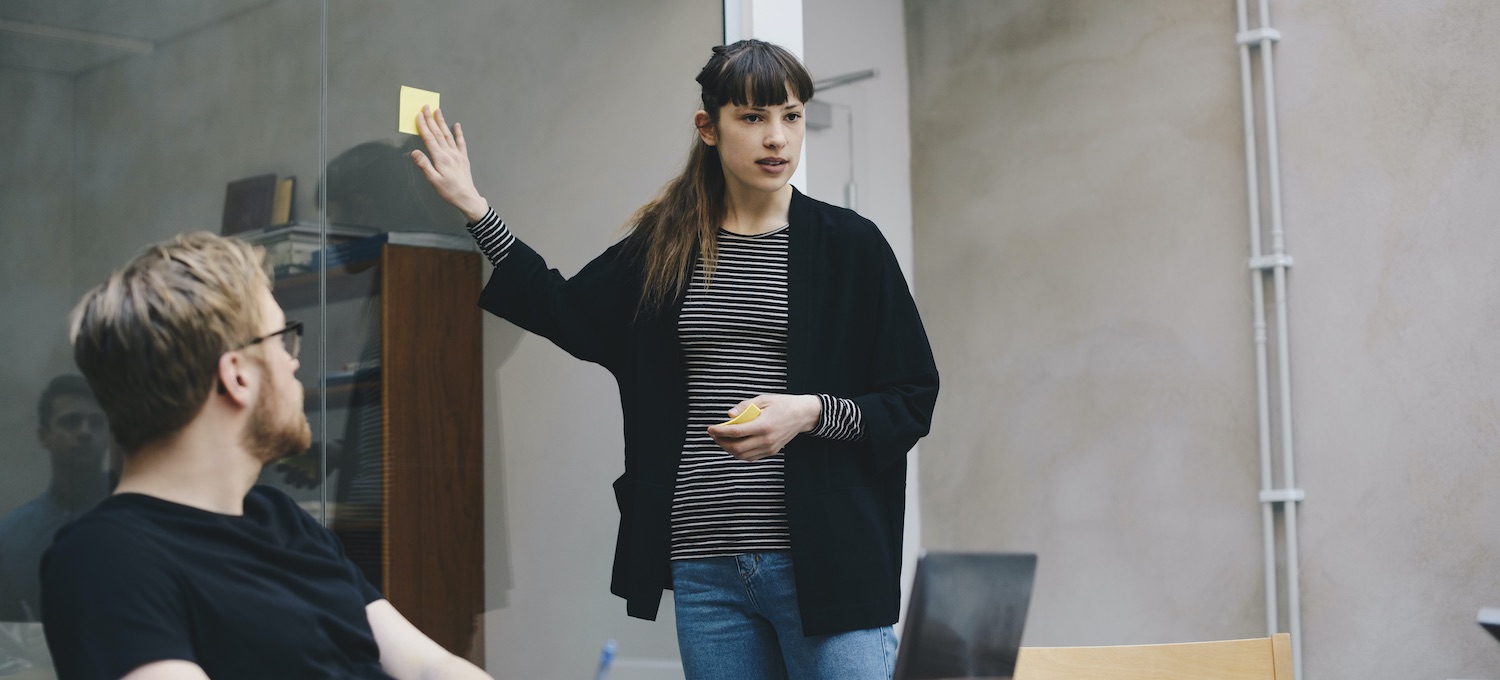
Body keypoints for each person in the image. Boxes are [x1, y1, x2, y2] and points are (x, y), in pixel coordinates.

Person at [411, 39, 939, 678]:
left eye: (791, 116)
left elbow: (911, 396)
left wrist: (809, 412)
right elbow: (567, 311)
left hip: (826, 564)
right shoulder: (668, 246)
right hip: (706, 568)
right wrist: (476, 210)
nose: (777, 138)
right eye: (753, 118)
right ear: (708, 128)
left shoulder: (851, 245)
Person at [40, 233, 491, 679]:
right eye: (283, 341)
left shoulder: (284, 521)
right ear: (237, 376)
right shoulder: (107, 559)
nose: (294, 362)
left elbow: (428, 667)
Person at [0, 374, 112, 624]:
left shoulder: (135, 517)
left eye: (96, 423)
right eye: (71, 422)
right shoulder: (11, 539)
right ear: (43, 435)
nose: (85, 432)